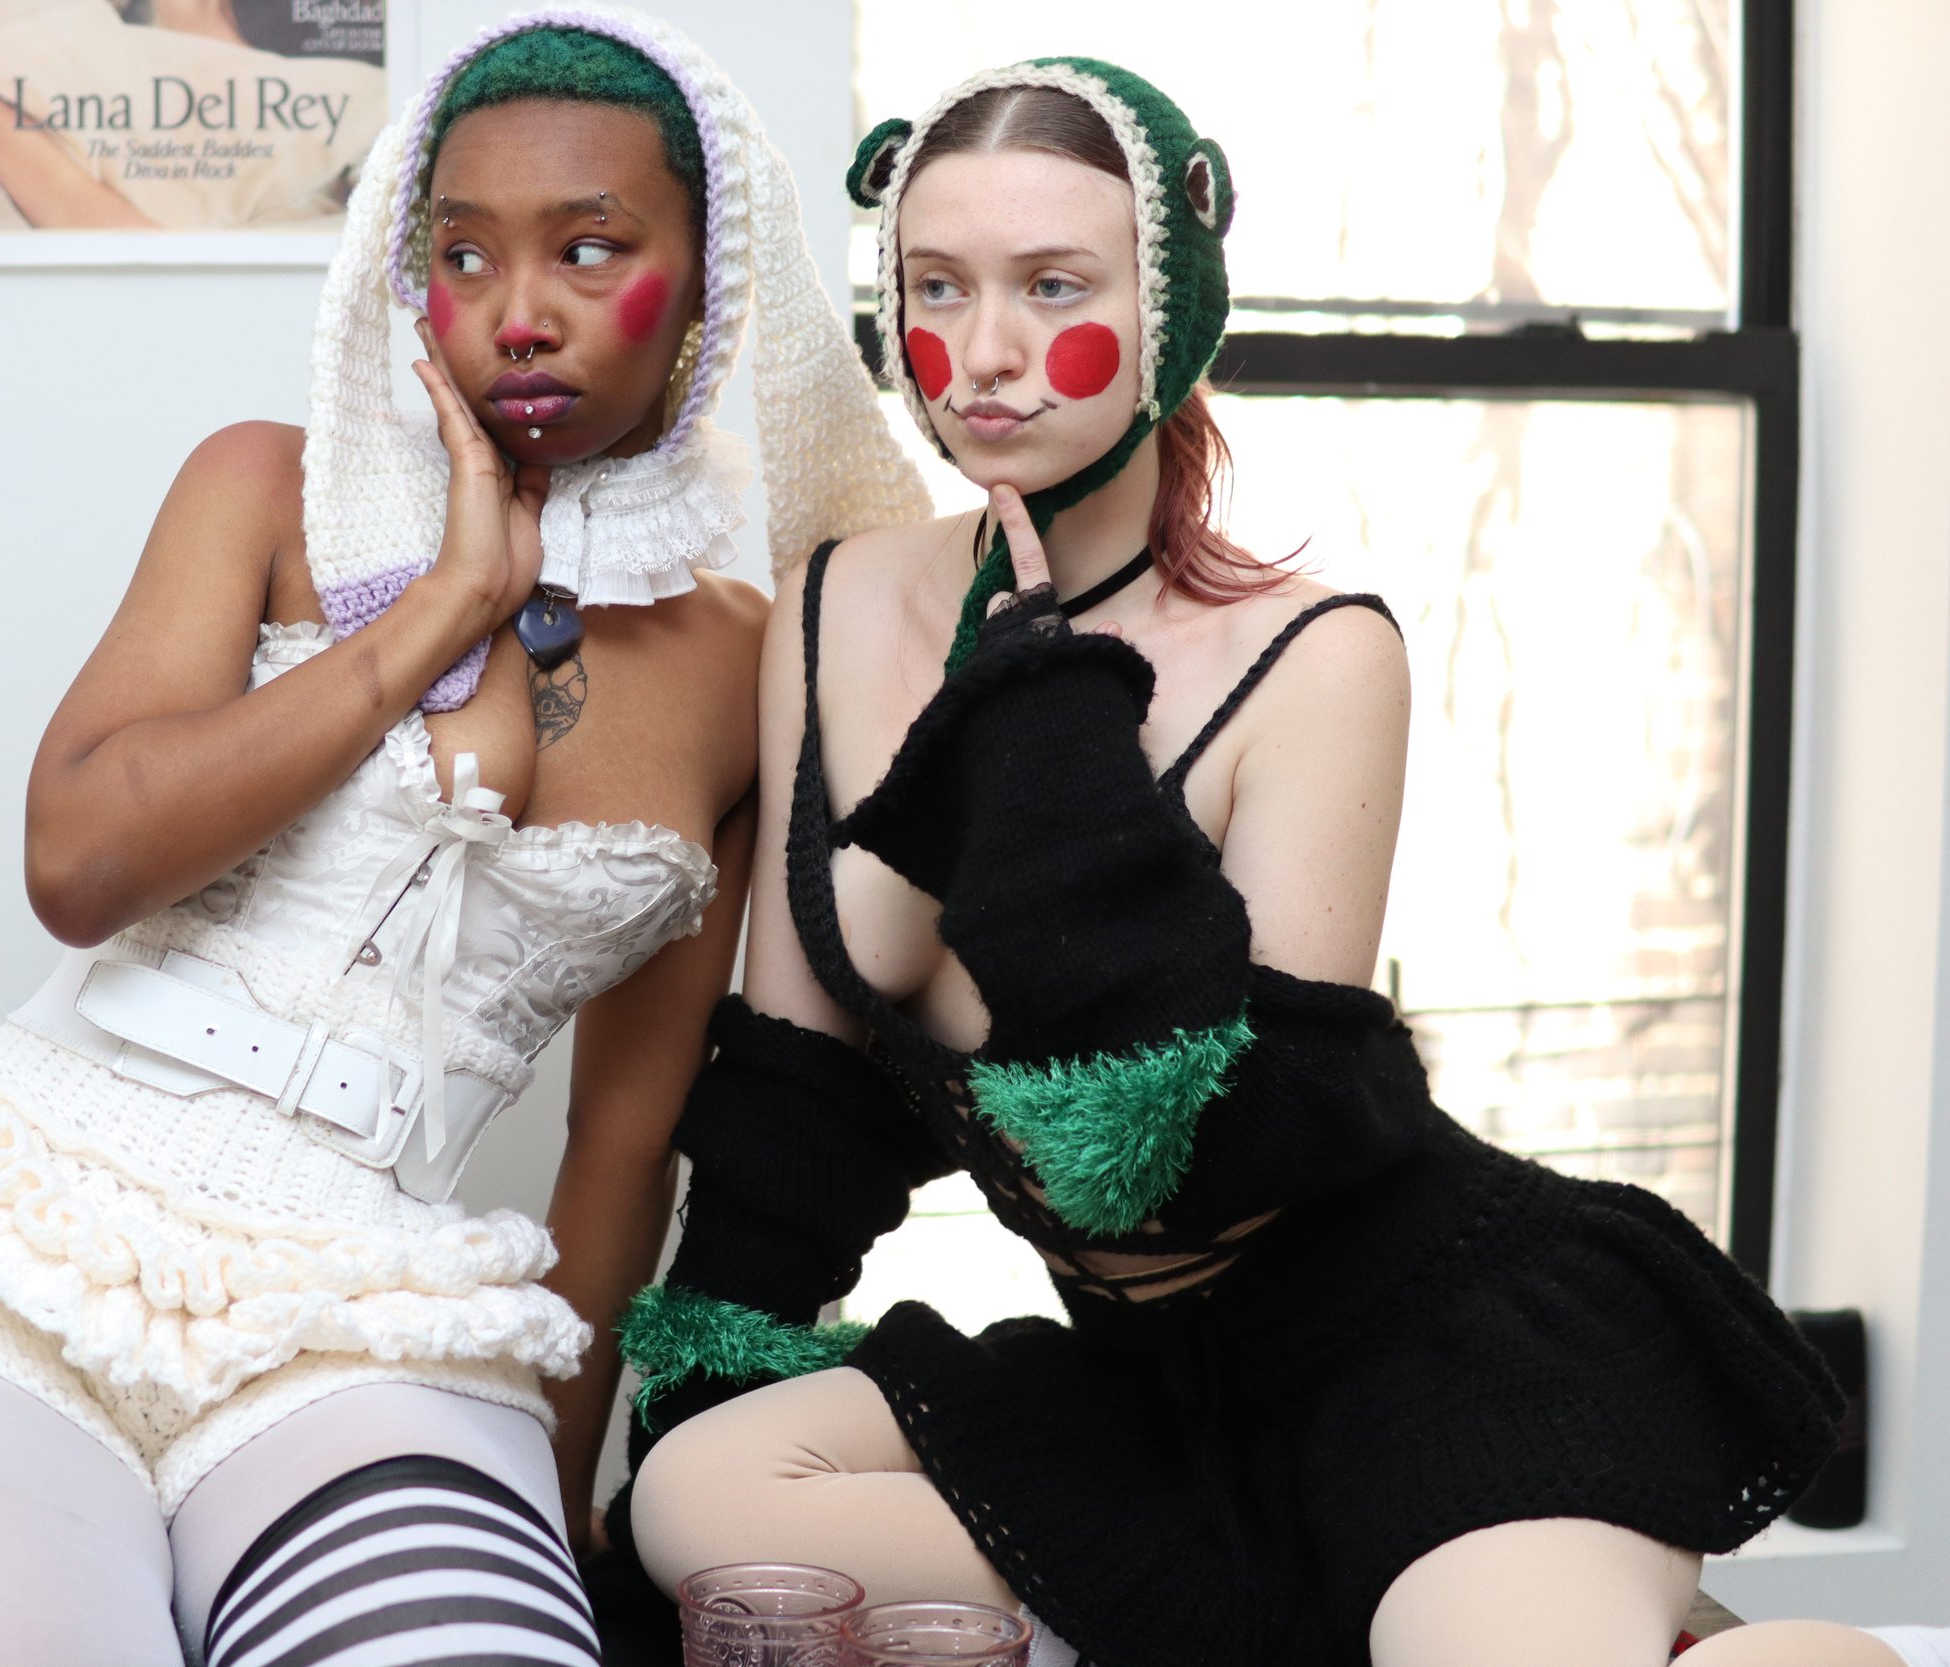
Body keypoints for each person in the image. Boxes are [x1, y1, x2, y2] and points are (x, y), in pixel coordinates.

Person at [601, 57, 1907, 1667]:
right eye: (938, 286)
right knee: (696, 1502)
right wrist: (716, 1345)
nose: (985, 353)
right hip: (1153, 1395)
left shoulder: (1318, 659)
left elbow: (1192, 1147)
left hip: (1434, 1358)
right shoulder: (832, 602)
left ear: (1171, 316)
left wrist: (1041, 708)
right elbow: (802, 1085)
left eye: (1053, 286)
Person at [0, 12, 927, 1667]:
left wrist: (572, 1494)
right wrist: (441, 609)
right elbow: (78, 864)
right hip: (17, 1260)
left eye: (592, 251)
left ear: (714, 278)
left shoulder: (752, 658)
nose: (518, 314)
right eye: (463, 256)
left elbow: (626, 1135)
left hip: (375, 1325)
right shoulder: (263, 490)